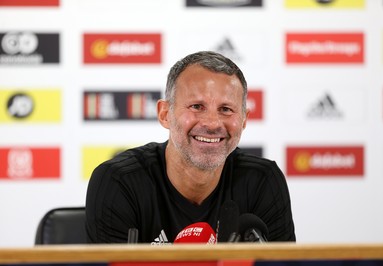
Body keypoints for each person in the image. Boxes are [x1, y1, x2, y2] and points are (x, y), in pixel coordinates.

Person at [85, 51, 296, 244]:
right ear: (164, 114)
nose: (212, 123)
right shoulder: (119, 182)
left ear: (243, 120)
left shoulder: (262, 181)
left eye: (226, 109)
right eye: (197, 106)